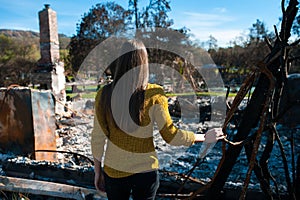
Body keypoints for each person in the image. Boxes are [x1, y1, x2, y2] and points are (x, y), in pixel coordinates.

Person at [91, 39, 224, 200]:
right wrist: (204, 137)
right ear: (144, 63)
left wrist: (98, 172)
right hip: (145, 173)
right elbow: (171, 135)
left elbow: (98, 139)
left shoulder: (103, 95)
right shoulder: (155, 94)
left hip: (114, 172)